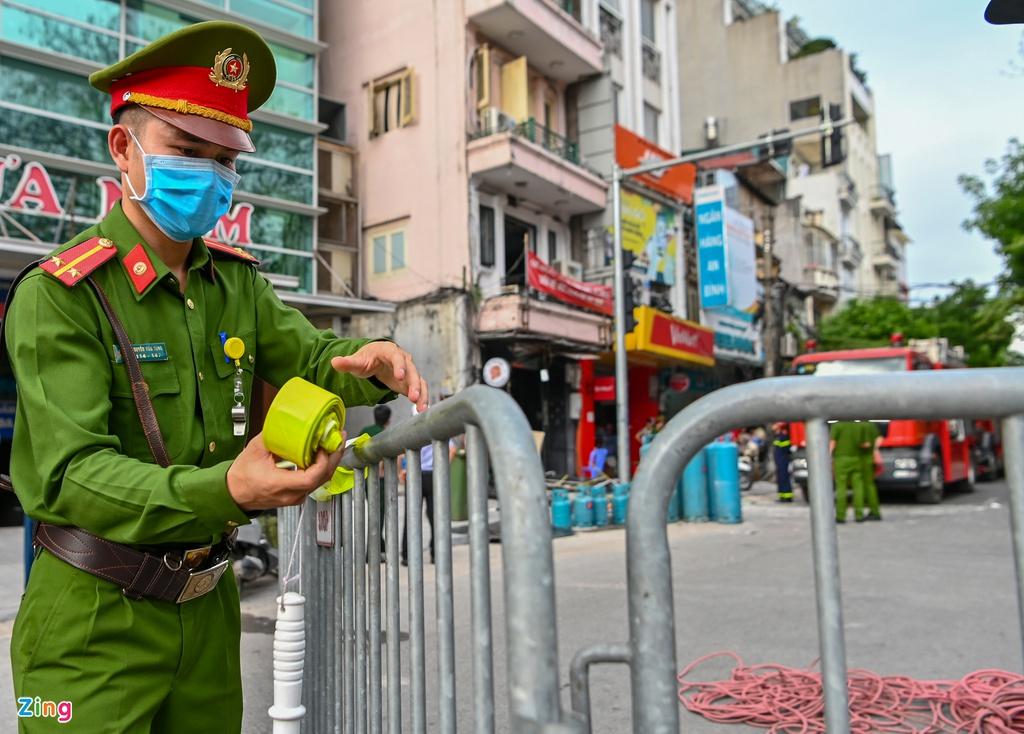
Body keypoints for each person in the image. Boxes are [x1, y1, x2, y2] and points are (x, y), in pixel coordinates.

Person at [4, 21, 428, 733]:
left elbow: (318, 361)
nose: (209, 174)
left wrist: (373, 366)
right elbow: (71, 474)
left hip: (207, 607)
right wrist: (226, 489)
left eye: (225, 159)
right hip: (89, 625)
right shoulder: (61, 295)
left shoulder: (236, 287)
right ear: (123, 148)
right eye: (186, 150)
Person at [830, 421, 866, 523]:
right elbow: (864, 444)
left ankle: (841, 516)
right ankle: (859, 515)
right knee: (858, 488)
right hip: (856, 460)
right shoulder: (859, 426)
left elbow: (832, 443)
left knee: (841, 488)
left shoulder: (837, 426)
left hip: (841, 460)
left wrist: (827, 457)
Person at [859, 421, 883, 521]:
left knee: (861, 486)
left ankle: (860, 513)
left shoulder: (858, 426)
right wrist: (875, 450)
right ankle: (874, 510)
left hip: (861, 458)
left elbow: (866, 444)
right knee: (870, 486)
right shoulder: (871, 425)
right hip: (869, 458)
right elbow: (879, 438)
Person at [772, 421, 794, 502]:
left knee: (784, 478)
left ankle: (787, 497)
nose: (773, 426)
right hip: (779, 461)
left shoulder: (783, 435)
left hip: (783, 461)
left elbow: (785, 449)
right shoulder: (778, 436)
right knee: (780, 479)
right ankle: (782, 496)